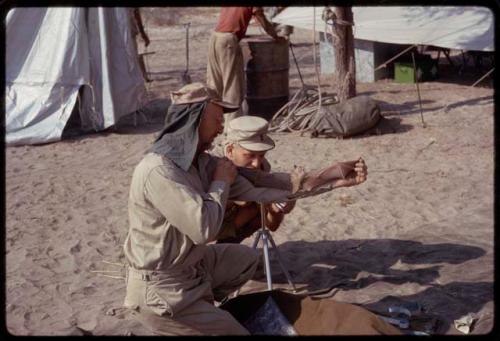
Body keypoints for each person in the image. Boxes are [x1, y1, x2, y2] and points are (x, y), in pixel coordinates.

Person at [123, 82, 368, 335]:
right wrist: (220, 182)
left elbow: (263, 183)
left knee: (246, 260)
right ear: (194, 119)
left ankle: (201, 313)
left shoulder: (200, 163)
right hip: (161, 287)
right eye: (217, 119)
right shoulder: (158, 171)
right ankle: (185, 319)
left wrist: (332, 178)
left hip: (191, 268)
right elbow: (203, 229)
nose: (221, 127)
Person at [213, 116, 297, 244]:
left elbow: (272, 225)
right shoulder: (213, 166)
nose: (256, 163)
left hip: (232, 224)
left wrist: (275, 210)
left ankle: (228, 247)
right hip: (206, 227)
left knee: (254, 209)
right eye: (250, 155)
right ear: (230, 150)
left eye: (261, 155)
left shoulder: (262, 167)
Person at [206, 7, 284, 128]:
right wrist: (276, 37)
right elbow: (262, 19)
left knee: (215, 85)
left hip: (215, 38)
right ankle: (233, 128)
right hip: (228, 41)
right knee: (233, 88)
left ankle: (211, 124)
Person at [129, 8, 151, 82]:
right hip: (131, 33)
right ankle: (143, 77)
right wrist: (143, 34)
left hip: (130, 33)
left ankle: (144, 77)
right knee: (138, 57)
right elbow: (137, 18)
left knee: (138, 56)